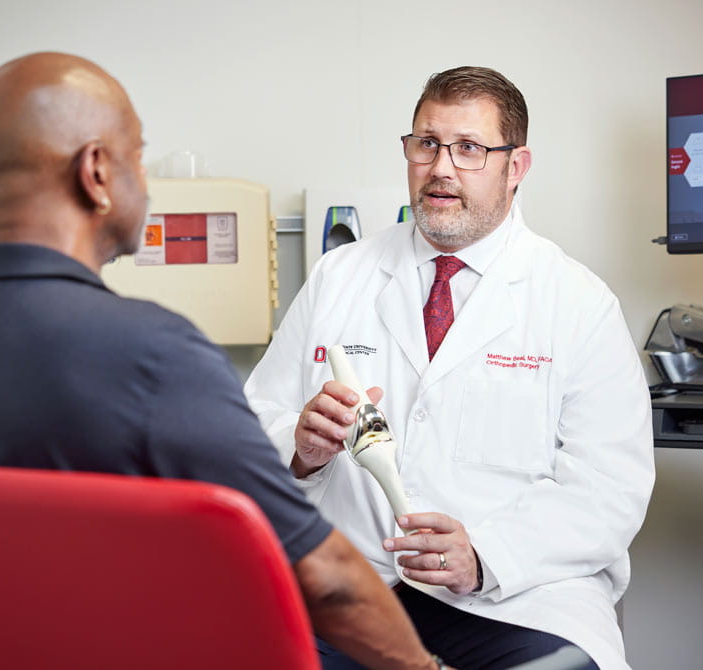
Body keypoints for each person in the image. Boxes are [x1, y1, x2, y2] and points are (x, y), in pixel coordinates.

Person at [0, 52, 445, 670]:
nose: (145, 180)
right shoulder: (153, 354)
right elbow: (325, 578)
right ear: (96, 172)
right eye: (137, 156)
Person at [244, 66, 655, 669]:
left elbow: (608, 488)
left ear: (515, 168)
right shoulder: (341, 277)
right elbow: (258, 419)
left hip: (516, 598)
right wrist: (300, 447)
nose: (441, 167)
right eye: (427, 144)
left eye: (469, 149)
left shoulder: (578, 303)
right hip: (351, 584)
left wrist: (485, 556)